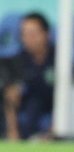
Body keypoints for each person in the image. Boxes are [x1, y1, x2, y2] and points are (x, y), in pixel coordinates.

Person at [2, 13, 54, 141]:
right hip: (27, 107)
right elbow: (9, 97)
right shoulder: (16, 61)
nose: (28, 38)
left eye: (33, 33)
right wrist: (12, 131)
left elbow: (67, 95)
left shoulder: (60, 58)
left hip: (50, 104)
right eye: (24, 34)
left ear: (46, 34)